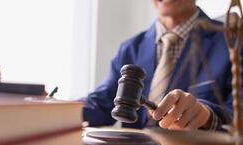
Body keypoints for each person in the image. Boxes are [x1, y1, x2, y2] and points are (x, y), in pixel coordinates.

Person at [83, 0, 242, 131]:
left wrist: (208, 116)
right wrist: (61, 110)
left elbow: (238, 112)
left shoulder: (234, 42)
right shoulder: (130, 48)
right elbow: (101, 103)